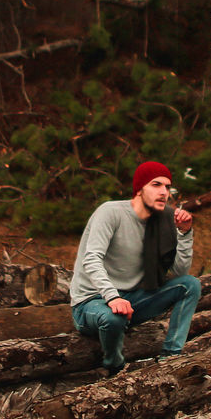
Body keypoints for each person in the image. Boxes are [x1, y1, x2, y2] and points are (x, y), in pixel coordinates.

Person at [70, 160, 201, 374]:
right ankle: (114, 368)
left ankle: (170, 358)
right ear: (139, 189)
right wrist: (112, 298)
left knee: (190, 285)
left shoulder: (164, 220)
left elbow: (180, 271)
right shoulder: (110, 212)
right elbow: (91, 259)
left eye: (167, 187)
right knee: (114, 318)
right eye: (156, 185)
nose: (164, 192)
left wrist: (184, 234)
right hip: (91, 303)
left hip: (131, 301)